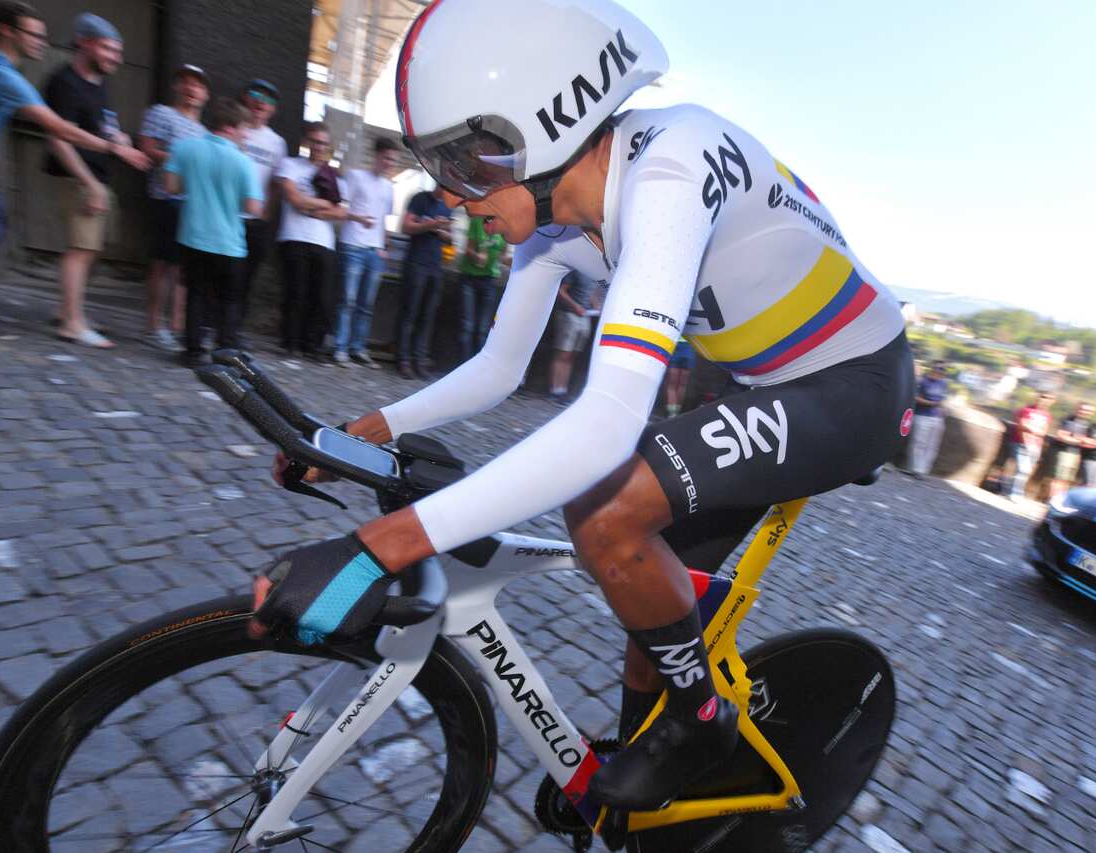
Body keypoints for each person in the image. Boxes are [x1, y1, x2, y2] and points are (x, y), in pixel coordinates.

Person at [251, 0, 914, 810]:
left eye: (462, 164)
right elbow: (499, 367)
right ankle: (646, 773)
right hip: (763, 382)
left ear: (543, 125)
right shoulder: (555, 221)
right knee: (650, 594)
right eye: (438, 168)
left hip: (857, 383)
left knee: (605, 513)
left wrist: (374, 549)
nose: (451, 196)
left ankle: (702, 721)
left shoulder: (672, 165)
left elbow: (605, 424)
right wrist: (370, 430)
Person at [0, 1, 149, 338]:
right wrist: (113, 147)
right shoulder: (4, 76)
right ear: (7, 31)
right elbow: (59, 129)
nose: (41, 42)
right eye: (34, 35)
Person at [40, 12, 128, 349]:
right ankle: (72, 325)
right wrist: (90, 185)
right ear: (84, 43)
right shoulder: (64, 83)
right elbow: (59, 140)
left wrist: (119, 140)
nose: (115, 58)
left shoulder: (99, 82)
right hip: (75, 177)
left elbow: (104, 126)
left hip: (98, 176)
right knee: (80, 251)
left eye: (117, 51)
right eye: (108, 49)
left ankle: (68, 311)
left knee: (90, 250)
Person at [164, 98, 263, 367]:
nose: (246, 135)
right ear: (230, 128)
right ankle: (226, 351)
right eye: (244, 129)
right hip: (229, 242)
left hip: (193, 236)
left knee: (195, 293)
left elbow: (171, 187)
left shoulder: (183, 147)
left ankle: (193, 351)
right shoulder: (243, 162)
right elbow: (253, 207)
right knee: (229, 298)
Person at [137, 63, 209, 352]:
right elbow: (146, 148)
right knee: (162, 264)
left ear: (205, 94)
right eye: (187, 82)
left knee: (182, 269)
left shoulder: (204, 131)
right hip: (166, 198)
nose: (192, 89)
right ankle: (153, 326)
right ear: (176, 86)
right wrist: (183, 160)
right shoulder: (162, 113)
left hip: (194, 204)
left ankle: (178, 326)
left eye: (198, 85)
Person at [274, 122, 348, 359]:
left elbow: (341, 213)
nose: (319, 147)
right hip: (294, 236)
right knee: (295, 292)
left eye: (323, 143)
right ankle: (291, 342)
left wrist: (310, 208)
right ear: (307, 142)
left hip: (323, 241)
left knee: (322, 297)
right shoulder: (290, 165)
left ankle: (312, 345)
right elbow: (294, 199)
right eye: (315, 142)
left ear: (329, 146)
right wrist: (325, 204)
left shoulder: (335, 176)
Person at [332, 137, 399, 367]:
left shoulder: (389, 187)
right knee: (347, 300)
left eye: (393, 160)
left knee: (366, 305)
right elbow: (341, 209)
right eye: (387, 158)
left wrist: (384, 247)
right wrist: (358, 218)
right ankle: (340, 347)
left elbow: (383, 220)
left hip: (374, 251)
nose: (390, 163)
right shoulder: (355, 176)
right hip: (352, 245)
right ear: (377, 155)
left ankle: (358, 348)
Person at [237, 79, 288, 326]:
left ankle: (233, 331)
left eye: (267, 100)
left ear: (273, 110)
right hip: (227, 215)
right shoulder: (235, 130)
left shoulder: (277, 143)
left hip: (256, 220)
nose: (261, 103)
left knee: (247, 277)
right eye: (256, 96)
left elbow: (276, 183)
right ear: (246, 99)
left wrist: (268, 212)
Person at [395, 188, 453, 378]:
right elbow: (406, 226)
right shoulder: (420, 198)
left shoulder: (448, 207)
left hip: (435, 265)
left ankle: (419, 359)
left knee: (427, 315)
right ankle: (403, 359)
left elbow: (450, 238)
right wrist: (430, 225)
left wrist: (442, 231)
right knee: (409, 312)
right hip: (416, 262)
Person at [457, 214, 507, 361]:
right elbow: (468, 249)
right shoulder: (477, 221)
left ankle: (478, 366)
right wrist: (476, 256)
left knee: (483, 329)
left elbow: (503, 255)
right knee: (467, 326)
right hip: (469, 278)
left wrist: (504, 261)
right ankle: (464, 365)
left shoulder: (505, 225)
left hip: (489, 280)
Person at [548, 270, 601, 401]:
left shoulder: (593, 272)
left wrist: (595, 305)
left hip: (585, 315)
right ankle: (555, 389)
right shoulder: (576, 270)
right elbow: (561, 291)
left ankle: (562, 389)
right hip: (569, 314)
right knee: (563, 353)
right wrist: (575, 306)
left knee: (573, 355)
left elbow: (590, 291)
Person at [1006, 392, 1054, 501]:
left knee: (1026, 471)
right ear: (1038, 397)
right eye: (1043, 397)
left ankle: (1016, 491)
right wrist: (1027, 439)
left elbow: (1043, 432)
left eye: (1048, 398)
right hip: (1021, 443)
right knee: (1022, 469)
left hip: (1036, 445)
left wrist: (1032, 430)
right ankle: (1014, 493)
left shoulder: (1047, 415)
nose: (1045, 400)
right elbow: (1022, 426)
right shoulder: (1026, 410)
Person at [907, 360, 949, 478]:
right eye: (937, 368)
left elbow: (943, 398)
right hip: (922, 415)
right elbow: (915, 397)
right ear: (932, 368)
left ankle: (924, 470)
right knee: (919, 443)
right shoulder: (922, 381)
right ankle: (916, 469)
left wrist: (941, 407)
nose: (939, 371)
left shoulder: (943, 383)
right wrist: (931, 403)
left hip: (937, 417)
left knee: (932, 445)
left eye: (942, 369)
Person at [1050, 401, 1096, 500]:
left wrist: (1074, 438)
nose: (1084, 412)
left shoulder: (1090, 425)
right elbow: (1061, 436)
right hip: (1064, 452)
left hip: (1077, 454)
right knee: (1059, 479)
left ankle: (1061, 500)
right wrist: (1081, 440)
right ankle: (1053, 500)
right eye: (1082, 409)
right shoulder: (1068, 420)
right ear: (1077, 408)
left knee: (1068, 480)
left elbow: (1093, 443)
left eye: (1088, 411)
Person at [663, 339, 695, 417]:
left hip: (682, 343)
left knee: (675, 384)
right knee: (678, 384)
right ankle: (674, 413)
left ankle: (673, 413)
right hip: (684, 344)